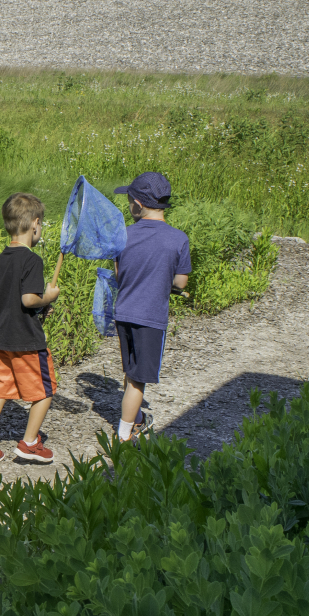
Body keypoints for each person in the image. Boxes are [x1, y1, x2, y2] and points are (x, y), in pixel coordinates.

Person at [0, 193, 61, 464]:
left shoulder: (2, 259)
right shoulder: (32, 260)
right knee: (45, 391)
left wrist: (39, 309)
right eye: (41, 224)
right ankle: (30, 443)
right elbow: (28, 299)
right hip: (27, 340)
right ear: (35, 224)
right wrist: (48, 298)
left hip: (1, 338)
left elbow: (12, 299)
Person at [111, 171, 191, 441]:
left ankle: (137, 417)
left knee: (130, 370)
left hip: (123, 312)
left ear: (139, 204)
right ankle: (124, 435)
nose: (128, 205)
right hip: (150, 318)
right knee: (138, 379)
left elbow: (120, 275)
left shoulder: (124, 234)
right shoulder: (178, 239)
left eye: (129, 200)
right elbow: (180, 282)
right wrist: (169, 284)